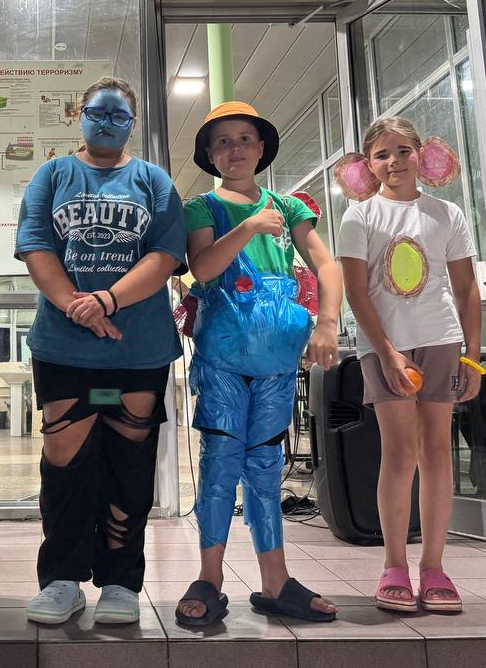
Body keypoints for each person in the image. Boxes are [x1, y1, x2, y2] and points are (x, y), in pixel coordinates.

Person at [16, 76, 186, 626]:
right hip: (64, 347)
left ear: (131, 124)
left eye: (118, 116)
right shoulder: (52, 174)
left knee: (129, 464)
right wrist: (77, 306)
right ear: (79, 114)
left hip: (139, 350)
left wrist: (107, 301)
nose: (107, 123)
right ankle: (61, 579)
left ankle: (120, 581)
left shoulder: (153, 180)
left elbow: (165, 255)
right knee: (64, 459)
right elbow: (36, 245)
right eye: (97, 112)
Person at [174, 102, 342, 627]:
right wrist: (248, 226)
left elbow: (327, 264)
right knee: (220, 462)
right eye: (223, 142)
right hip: (223, 358)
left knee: (266, 467)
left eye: (245, 138)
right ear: (209, 154)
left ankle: (275, 580)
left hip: (276, 360)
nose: (235, 149)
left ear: (262, 148)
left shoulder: (289, 208)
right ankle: (210, 577)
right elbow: (203, 268)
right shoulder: (202, 208)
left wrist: (328, 322)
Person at [336, 116, 481, 614]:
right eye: (381, 154)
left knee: (437, 450)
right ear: (367, 164)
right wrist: (387, 352)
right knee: (398, 451)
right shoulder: (360, 217)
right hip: (385, 347)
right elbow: (357, 293)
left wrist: (472, 356)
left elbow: (466, 289)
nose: (394, 162)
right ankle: (393, 564)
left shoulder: (447, 213)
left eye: (403, 151)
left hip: (441, 341)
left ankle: (434, 566)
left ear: (423, 154)